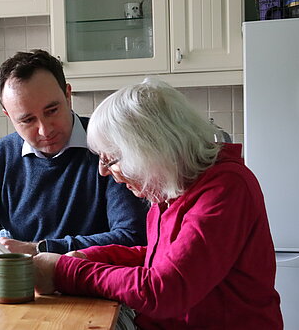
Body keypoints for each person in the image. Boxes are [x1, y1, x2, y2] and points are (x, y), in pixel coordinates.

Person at [32, 79, 283, 329]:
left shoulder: (226, 188)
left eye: (111, 159)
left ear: (150, 149)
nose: (103, 171)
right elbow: (158, 258)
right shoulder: (171, 189)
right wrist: (87, 256)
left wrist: (64, 272)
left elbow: (166, 290)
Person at [0, 50, 148, 279]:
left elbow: (132, 237)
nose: (45, 130)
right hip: (27, 293)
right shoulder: (1, 156)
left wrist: (39, 249)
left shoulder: (110, 147)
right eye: (27, 120)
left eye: (52, 110)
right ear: (9, 116)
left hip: (98, 289)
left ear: (68, 95)